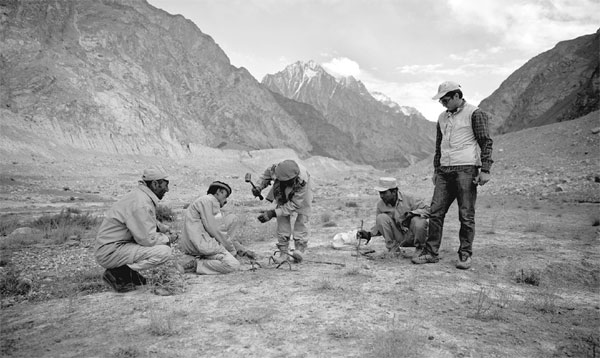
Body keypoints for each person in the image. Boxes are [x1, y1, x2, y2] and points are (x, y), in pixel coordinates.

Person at [412, 81, 493, 269]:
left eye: (445, 99)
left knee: (466, 214)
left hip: (466, 169)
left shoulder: (475, 113)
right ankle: (431, 252)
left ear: (457, 96)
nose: (443, 103)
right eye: (441, 100)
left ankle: (465, 254)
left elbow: (486, 142)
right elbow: (439, 146)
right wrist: (436, 169)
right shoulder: (441, 117)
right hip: (444, 171)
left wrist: (485, 169)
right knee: (436, 212)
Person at [95, 166, 179, 293]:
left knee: (160, 245)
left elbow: (147, 220)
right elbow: (148, 239)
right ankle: (118, 274)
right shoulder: (142, 202)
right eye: (165, 185)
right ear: (155, 184)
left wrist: (164, 228)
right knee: (164, 251)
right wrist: (168, 238)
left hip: (115, 246)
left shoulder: (140, 196)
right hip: (111, 251)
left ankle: (128, 274)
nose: (167, 189)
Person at [252, 159, 312, 263]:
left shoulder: (302, 181)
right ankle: (284, 254)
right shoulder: (275, 169)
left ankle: (299, 249)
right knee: (282, 217)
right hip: (281, 187)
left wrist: (272, 213)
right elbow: (265, 177)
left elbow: (294, 204)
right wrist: (258, 187)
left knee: (303, 215)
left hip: (301, 193)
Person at [177, 181, 243, 275]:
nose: (226, 201)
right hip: (201, 246)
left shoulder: (205, 201)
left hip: (197, 245)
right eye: (225, 196)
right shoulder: (210, 201)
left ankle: (197, 260)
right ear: (219, 192)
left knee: (232, 219)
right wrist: (231, 250)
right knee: (233, 264)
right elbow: (216, 229)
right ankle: (197, 264)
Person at [357, 177, 429, 257]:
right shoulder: (381, 205)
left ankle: (421, 249)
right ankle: (393, 249)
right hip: (400, 237)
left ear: (394, 191)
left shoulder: (409, 198)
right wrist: (369, 234)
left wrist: (412, 214)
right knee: (381, 218)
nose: (381, 196)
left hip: (414, 234)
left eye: (384, 193)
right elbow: (382, 226)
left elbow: (428, 210)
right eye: (380, 193)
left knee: (419, 221)